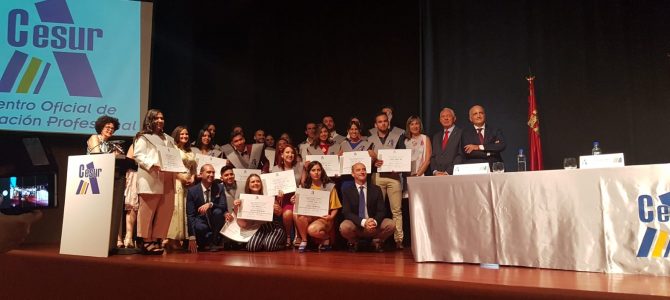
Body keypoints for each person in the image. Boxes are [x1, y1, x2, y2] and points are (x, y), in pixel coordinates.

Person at [133, 109, 177, 255]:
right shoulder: (143, 137)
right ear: (149, 120)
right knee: (147, 212)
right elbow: (138, 155)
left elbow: (174, 156)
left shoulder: (169, 139)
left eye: (162, 118)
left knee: (164, 212)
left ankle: (156, 238)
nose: (160, 120)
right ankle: (146, 241)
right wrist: (154, 164)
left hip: (168, 179)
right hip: (151, 177)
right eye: (156, 118)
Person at [367, 111, 406, 249]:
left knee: (396, 210)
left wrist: (399, 166)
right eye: (380, 121)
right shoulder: (369, 139)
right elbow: (365, 161)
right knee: (378, 209)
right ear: (375, 124)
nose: (383, 123)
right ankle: (378, 238)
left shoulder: (398, 137)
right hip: (378, 177)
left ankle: (398, 239)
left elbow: (403, 156)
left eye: (385, 121)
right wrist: (373, 162)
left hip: (394, 177)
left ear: (388, 123)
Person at [339, 163, 394, 252]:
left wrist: (374, 222)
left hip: (373, 226)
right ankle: (353, 242)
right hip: (357, 225)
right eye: (358, 170)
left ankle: (376, 242)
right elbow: (347, 212)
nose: (362, 172)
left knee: (391, 224)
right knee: (344, 227)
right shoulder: (347, 191)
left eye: (364, 169)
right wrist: (363, 222)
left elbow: (382, 211)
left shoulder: (376, 189)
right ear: (353, 174)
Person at [230, 174, 286, 252]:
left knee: (269, 245)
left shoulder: (268, 197)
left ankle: (281, 244)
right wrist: (236, 208)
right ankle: (265, 242)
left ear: (261, 184)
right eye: (252, 182)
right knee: (251, 247)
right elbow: (243, 224)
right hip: (258, 228)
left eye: (258, 181)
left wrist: (278, 209)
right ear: (248, 185)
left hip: (274, 227)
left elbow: (279, 213)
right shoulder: (244, 200)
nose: (255, 183)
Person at [294, 161, 341, 252]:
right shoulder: (305, 187)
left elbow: (335, 207)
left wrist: (331, 217)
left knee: (311, 230)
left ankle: (327, 237)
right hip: (310, 216)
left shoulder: (329, 186)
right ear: (309, 172)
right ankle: (304, 240)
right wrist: (295, 200)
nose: (316, 172)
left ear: (322, 171)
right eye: (313, 170)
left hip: (324, 218)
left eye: (318, 170)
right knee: (298, 216)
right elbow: (300, 205)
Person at [164, 126, 198, 251]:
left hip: (190, 184)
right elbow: (169, 167)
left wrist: (193, 178)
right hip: (177, 182)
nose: (184, 136)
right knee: (177, 209)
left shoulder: (190, 151)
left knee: (186, 209)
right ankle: (172, 239)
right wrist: (181, 178)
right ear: (176, 135)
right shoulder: (173, 150)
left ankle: (181, 238)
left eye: (186, 134)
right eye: (182, 134)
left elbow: (194, 169)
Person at [186, 164, 228, 253]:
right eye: (208, 172)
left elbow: (223, 206)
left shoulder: (219, 187)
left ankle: (214, 241)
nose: (212, 175)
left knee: (218, 212)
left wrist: (210, 204)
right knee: (199, 227)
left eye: (213, 172)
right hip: (201, 221)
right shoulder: (192, 191)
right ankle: (206, 242)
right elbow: (190, 215)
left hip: (215, 219)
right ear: (201, 174)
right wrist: (192, 237)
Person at [270, 144, 305, 247]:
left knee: (296, 211)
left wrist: (298, 195)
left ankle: (299, 236)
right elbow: (273, 187)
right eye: (287, 152)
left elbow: (302, 185)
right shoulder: (275, 169)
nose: (290, 155)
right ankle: (288, 236)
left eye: (292, 153)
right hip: (282, 198)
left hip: (297, 196)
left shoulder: (300, 166)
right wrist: (277, 195)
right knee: (287, 214)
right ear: (282, 155)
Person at [431, 108, 463, 175]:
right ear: (440, 120)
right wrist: (435, 171)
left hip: (453, 174)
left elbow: (460, 155)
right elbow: (433, 156)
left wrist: (448, 172)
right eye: (443, 116)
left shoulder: (461, 133)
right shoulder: (436, 136)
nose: (446, 118)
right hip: (437, 176)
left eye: (448, 116)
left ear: (454, 118)